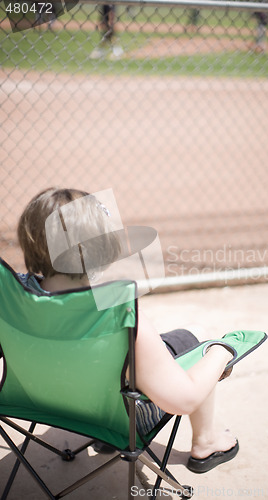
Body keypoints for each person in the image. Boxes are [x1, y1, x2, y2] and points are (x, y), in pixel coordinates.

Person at [16, 187, 238, 473]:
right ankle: (205, 442)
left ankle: (105, 437)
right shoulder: (120, 313)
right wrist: (221, 349)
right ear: (103, 246)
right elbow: (183, 399)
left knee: (166, 343)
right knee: (196, 340)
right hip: (119, 417)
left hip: (43, 402)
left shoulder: (13, 297)